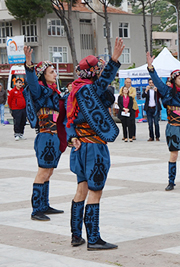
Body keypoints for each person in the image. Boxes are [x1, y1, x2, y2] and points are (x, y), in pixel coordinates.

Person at [64, 38, 125, 250]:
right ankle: (94, 239)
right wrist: (114, 61)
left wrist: (72, 137)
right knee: (95, 191)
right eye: (98, 67)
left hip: (79, 146)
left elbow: (67, 120)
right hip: (94, 147)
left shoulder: (73, 91)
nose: (101, 70)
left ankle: (75, 235)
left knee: (81, 188)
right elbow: (102, 84)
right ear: (92, 71)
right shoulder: (90, 90)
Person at [22, 46, 67, 222]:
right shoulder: (38, 90)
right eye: (51, 71)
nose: (55, 74)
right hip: (45, 135)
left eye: (54, 71)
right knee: (42, 171)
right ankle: (36, 210)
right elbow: (32, 80)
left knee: (49, 171)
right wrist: (28, 64)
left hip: (54, 136)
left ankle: (44, 204)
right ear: (43, 74)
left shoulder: (55, 92)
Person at [146, 53, 180, 191]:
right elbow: (157, 81)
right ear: (174, 79)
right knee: (174, 153)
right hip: (174, 127)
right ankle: (171, 181)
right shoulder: (168, 91)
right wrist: (151, 67)